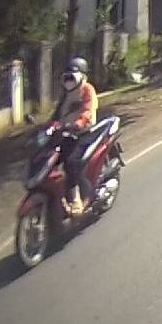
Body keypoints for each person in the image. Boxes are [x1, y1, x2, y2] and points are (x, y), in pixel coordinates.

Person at [51, 57, 98, 215]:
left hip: (84, 133)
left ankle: (78, 198)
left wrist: (79, 123)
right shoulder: (66, 93)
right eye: (67, 77)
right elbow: (58, 114)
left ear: (82, 76)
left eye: (72, 76)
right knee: (51, 159)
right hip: (67, 133)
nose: (69, 80)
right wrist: (51, 126)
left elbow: (88, 110)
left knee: (71, 163)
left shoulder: (87, 89)